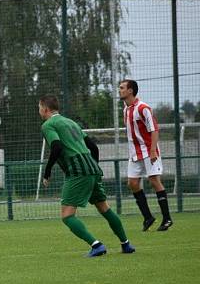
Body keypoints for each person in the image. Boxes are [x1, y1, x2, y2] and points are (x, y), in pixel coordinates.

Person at [39, 95, 135, 257]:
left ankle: (96, 245)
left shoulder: (48, 125)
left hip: (77, 171)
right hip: (92, 168)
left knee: (67, 216)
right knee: (104, 208)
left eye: (39, 108)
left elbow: (56, 147)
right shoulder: (71, 123)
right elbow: (93, 147)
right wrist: (92, 167)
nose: (39, 111)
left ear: (45, 109)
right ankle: (126, 244)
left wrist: (47, 172)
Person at [120, 79, 173, 231]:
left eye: (122, 88)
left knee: (154, 181)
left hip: (148, 151)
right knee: (132, 183)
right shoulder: (125, 110)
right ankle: (148, 217)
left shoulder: (143, 108)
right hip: (134, 154)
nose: (120, 90)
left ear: (130, 91)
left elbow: (154, 129)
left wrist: (152, 150)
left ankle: (167, 219)